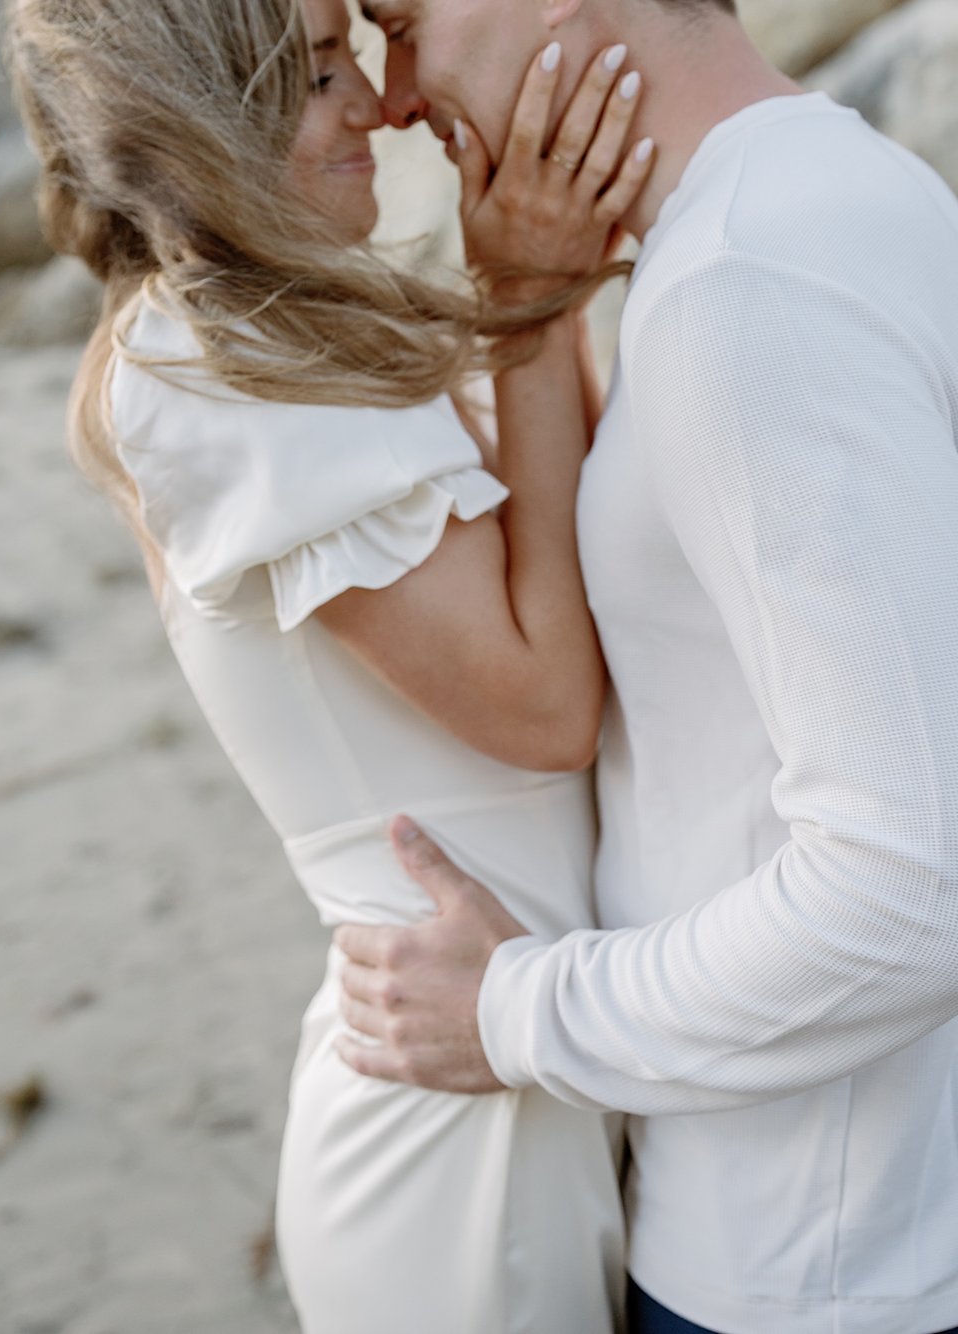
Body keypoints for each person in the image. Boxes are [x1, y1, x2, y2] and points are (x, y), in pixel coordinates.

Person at [6, 0, 661, 1328]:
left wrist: (548, 297)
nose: (368, 103)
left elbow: (575, 549)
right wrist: (529, 305)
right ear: (201, 119)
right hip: (454, 1143)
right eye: (312, 75)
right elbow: (545, 706)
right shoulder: (214, 368)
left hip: (521, 1044)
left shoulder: (281, 343)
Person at [334, 1, 958, 1332]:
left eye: (397, 22)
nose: (392, 101)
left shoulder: (752, 287)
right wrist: (531, 303)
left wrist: (515, 1010)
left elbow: (913, 889)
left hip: (808, 1269)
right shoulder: (833, 197)